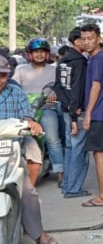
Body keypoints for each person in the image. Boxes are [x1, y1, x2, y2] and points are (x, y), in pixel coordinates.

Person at [0, 56, 58, 244]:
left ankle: (38, 234)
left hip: (12, 146)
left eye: (3, 76)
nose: (1, 80)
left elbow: (27, 113)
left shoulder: (14, 92)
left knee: (27, 191)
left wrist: (31, 123)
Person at [13, 37, 64, 187]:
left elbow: (58, 88)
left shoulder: (53, 70)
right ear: (30, 54)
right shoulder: (21, 70)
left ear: (47, 54)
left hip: (47, 108)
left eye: (42, 52)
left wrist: (54, 95)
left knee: (52, 139)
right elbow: (14, 87)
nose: (39, 55)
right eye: (36, 52)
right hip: (26, 110)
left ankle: (60, 170)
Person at [81, 23, 103, 207]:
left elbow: (96, 86)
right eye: (84, 39)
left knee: (99, 154)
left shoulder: (98, 59)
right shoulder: (99, 59)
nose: (86, 42)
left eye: (90, 38)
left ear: (98, 38)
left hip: (100, 113)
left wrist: (88, 113)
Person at [53, 27, 90, 198]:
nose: (87, 42)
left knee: (70, 147)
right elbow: (77, 89)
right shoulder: (79, 61)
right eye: (84, 39)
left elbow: (59, 87)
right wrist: (75, 115)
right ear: (76, 41)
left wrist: (67, 107)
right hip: (76, 111)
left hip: (65, 109)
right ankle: (73, 189)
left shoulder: (63, 60)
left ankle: (67, 185)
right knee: (78, 149)